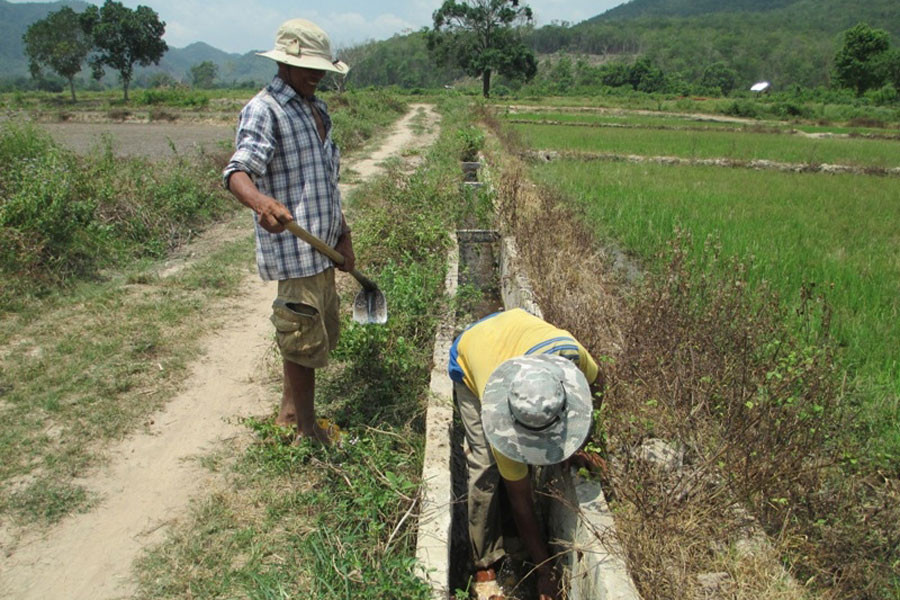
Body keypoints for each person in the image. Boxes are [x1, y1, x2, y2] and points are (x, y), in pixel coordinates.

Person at [223, 18, 352, 445]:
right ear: (284, 63)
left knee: (314, 336)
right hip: (297, 252)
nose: (317, 75)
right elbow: (238, 171)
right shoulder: (265, 109)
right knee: (301, 338)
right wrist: (261, 203)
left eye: (322, 68)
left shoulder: (317, 108)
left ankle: (289, 414)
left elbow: (327, 182)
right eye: (309, 67)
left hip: (323, 248)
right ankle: (306, 433)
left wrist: (343, 236)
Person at [448, 308, 604, 600]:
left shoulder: (571, 355)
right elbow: (521, 501)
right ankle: (483, 559)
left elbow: (597, 383)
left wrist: (580, 444)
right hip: (471, 350)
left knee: (519, 467)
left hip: (512, 330)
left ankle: (515, 542)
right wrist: (545, 571)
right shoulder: (500, 417)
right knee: (485, 464)